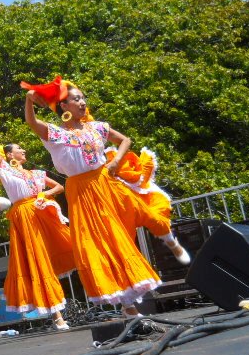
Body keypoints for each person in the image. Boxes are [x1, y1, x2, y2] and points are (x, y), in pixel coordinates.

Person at [23, 76, 190, 318]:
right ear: (64, 106)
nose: (82, 102)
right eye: (76, 99)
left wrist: (116, 162)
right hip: (82, 192)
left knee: (143, 210)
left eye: (83, 98)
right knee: (102, 243)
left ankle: (170, 240)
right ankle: (128, 306)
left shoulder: (97, 127)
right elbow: (31, 121)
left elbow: (125, 140)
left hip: (106, 182)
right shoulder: (57, 134)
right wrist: (29, 100)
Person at [0, 104, 74, 330]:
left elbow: (59, 186)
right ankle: (57, 315)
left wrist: (43, 195)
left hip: (42, 214)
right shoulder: (5, 170)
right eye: (19, 148)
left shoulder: (36, 174)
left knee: (67, 247)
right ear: (10, 155)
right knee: (38, 260)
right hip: (24, 217)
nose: (24, 150)